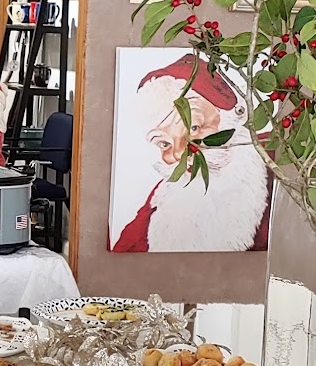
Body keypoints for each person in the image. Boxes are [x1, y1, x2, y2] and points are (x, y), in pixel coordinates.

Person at [110, 57, 271, 254]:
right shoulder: (162, 200)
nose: (180, 153)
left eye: (194, 128)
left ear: (229, 118)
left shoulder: (279, 166)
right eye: (164, 143)